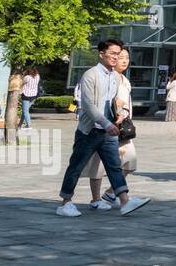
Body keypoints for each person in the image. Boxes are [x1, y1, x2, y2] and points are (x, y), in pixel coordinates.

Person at [55, 39, 150, 217]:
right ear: (101, 53)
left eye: (118, 54)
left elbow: (113, 101)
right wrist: (107, 124)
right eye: (113, 53)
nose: (116, 57)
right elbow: (89, 106)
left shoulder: (114, 77)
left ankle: (124, 201)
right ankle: (65, 202)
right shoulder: (90, 75)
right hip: (89, 130)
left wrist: (119, 113)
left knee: (114, 166)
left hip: (108, 130)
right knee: (76, 165)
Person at [86, 46, 137, 208]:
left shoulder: (124, 79)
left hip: (123, 128)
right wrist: (120, 111)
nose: (124, 60)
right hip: (107, 125)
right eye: (120, 56)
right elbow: (112, 101)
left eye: (126, 57)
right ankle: (95, 199)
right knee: (99, 163)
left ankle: (110, 192)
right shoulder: (109, 76)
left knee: (130, 162)